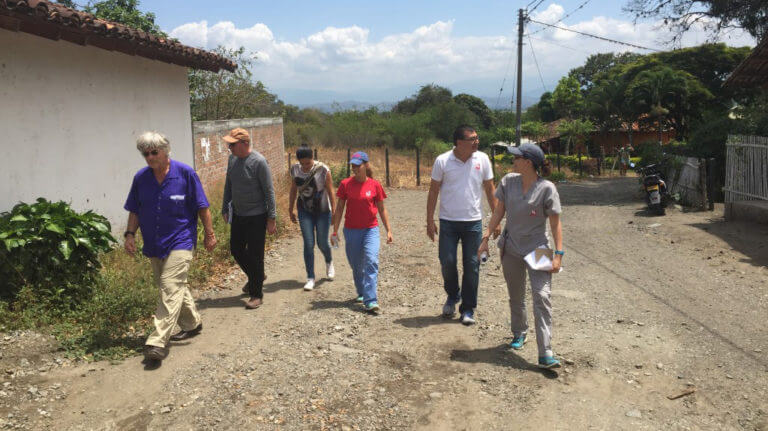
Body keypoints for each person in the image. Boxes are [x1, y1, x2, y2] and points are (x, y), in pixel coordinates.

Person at [123, 131, 216, 364]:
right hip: (155, 242)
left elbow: (203, 208)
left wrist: (209, 235)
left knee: (169, 285)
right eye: (146, 154)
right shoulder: (141, 179)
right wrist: (130, 234)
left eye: (154, 152)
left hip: (181, 241)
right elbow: (135, 209)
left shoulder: (185, 174)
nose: (150, 157)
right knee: (171, 286)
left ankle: (157, 341)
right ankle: (193, 323)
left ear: (166, 151)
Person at [477, 143, 564, 369]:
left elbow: (555, 225)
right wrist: (486, 237)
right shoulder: (508, 182)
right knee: (515, 294)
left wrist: (559, 255)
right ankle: (519, 332)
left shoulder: (547, 189)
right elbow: (499, 211)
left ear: (528, 162)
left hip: (538, 249)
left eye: (516, 158)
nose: (512, 161)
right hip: (512, 247)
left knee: (542, 296)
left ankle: (545, 352)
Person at [426, 125, 498, 325]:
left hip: (473, 222)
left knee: (472, 266)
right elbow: (433, 191)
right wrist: (429, 220)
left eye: (477, 137)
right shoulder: (442, 161)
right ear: (459, 142)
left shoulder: (482, 159)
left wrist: (495, 219)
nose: (477, 141)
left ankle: (468, 308)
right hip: (448, 221)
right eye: (472, 139)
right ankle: (453, 294)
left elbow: (490, 189)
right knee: (447, 261)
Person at [221, 128, 277, 310]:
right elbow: (228, 184)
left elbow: (269, 191)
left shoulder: (259, 162)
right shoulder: (232, 160)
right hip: (238, 213)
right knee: (236, 249)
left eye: (233, 144)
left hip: (257, 215)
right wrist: (225, 207)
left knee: (256, 255)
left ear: (245, 144)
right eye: (229, 144)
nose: (229, 148)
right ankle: (257, 276)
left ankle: (256, 294)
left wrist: (271, 218)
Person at [332, 151, 393, 314]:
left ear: (366, 165)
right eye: (353, 166)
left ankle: (371, 300)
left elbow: (381, 209)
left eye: (357, 166)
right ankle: (361, 292)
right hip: (351, 231)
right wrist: (335, 230)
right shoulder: (345, 184)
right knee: (356, 265)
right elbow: (339, 209)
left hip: (370, 229)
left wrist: (388, 230)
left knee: (371, 261)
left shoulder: (375, 185)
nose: (354, 169)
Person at [289, 146, 336, 291]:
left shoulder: (323, 169)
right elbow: (293, 189)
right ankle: (310, 277)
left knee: (322, 242)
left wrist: (334, 211)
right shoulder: (295, 170)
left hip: (322, 211)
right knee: (308, 243)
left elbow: (330, 190)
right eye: (302, 163)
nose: (305, 166)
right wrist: (291, 209)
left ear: (312, 159)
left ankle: (329, 261)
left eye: (307, 163)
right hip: (305, 211)